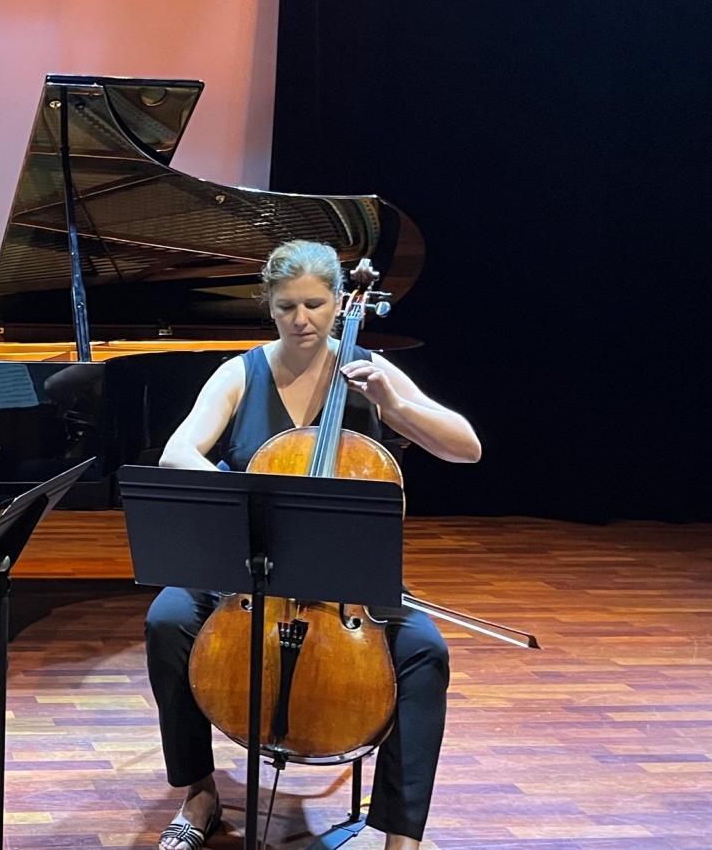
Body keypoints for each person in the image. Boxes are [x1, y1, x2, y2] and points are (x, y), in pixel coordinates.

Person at [146, 241, 482, 850]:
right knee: (167, 621)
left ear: (338, 304)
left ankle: (398, 835)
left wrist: (394, 404)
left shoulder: (369, 371)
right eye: (286, 306)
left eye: (315, 305)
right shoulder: (241, 373)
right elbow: (177, 453)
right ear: (267, 306)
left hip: (348, 577)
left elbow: (466, 447)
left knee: (426, 654)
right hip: (249, 567)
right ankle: (199, 792)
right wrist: (242, 493)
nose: (301, 320)